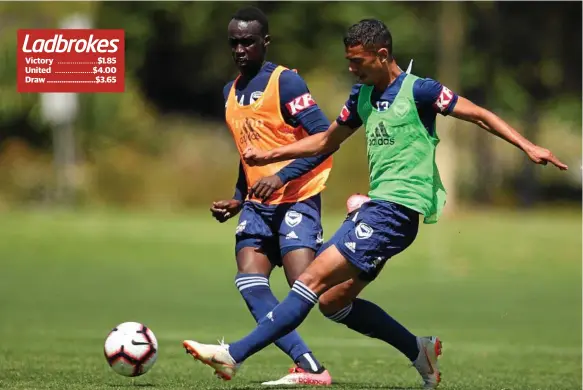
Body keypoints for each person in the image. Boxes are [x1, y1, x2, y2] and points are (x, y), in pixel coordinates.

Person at [184, 18, 568, 389]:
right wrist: (270, 157)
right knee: (333, 302)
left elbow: (479, 115)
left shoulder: (421, 91)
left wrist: (528, 146)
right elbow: (324, 141)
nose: (351, 69)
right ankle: (419, 351)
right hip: (376, 210)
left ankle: (233, 355)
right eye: (348, 60)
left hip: (396, 212)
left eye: (357, 61)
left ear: (382, 55)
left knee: (311, 280)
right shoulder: (362, 95)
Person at [201, 6, 336, 386]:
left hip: (298, 198)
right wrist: (238, 197)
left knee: (318, 295)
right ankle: (310, 368)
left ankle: (412, 345)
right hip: (259, 207)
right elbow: (249, 155)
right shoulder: (229, 92)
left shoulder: (286, 83)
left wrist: (281, 177)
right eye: (234, 42)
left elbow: (325, 141)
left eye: (248, 42)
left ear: (265, 42)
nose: (240, 49)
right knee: (249, 280)